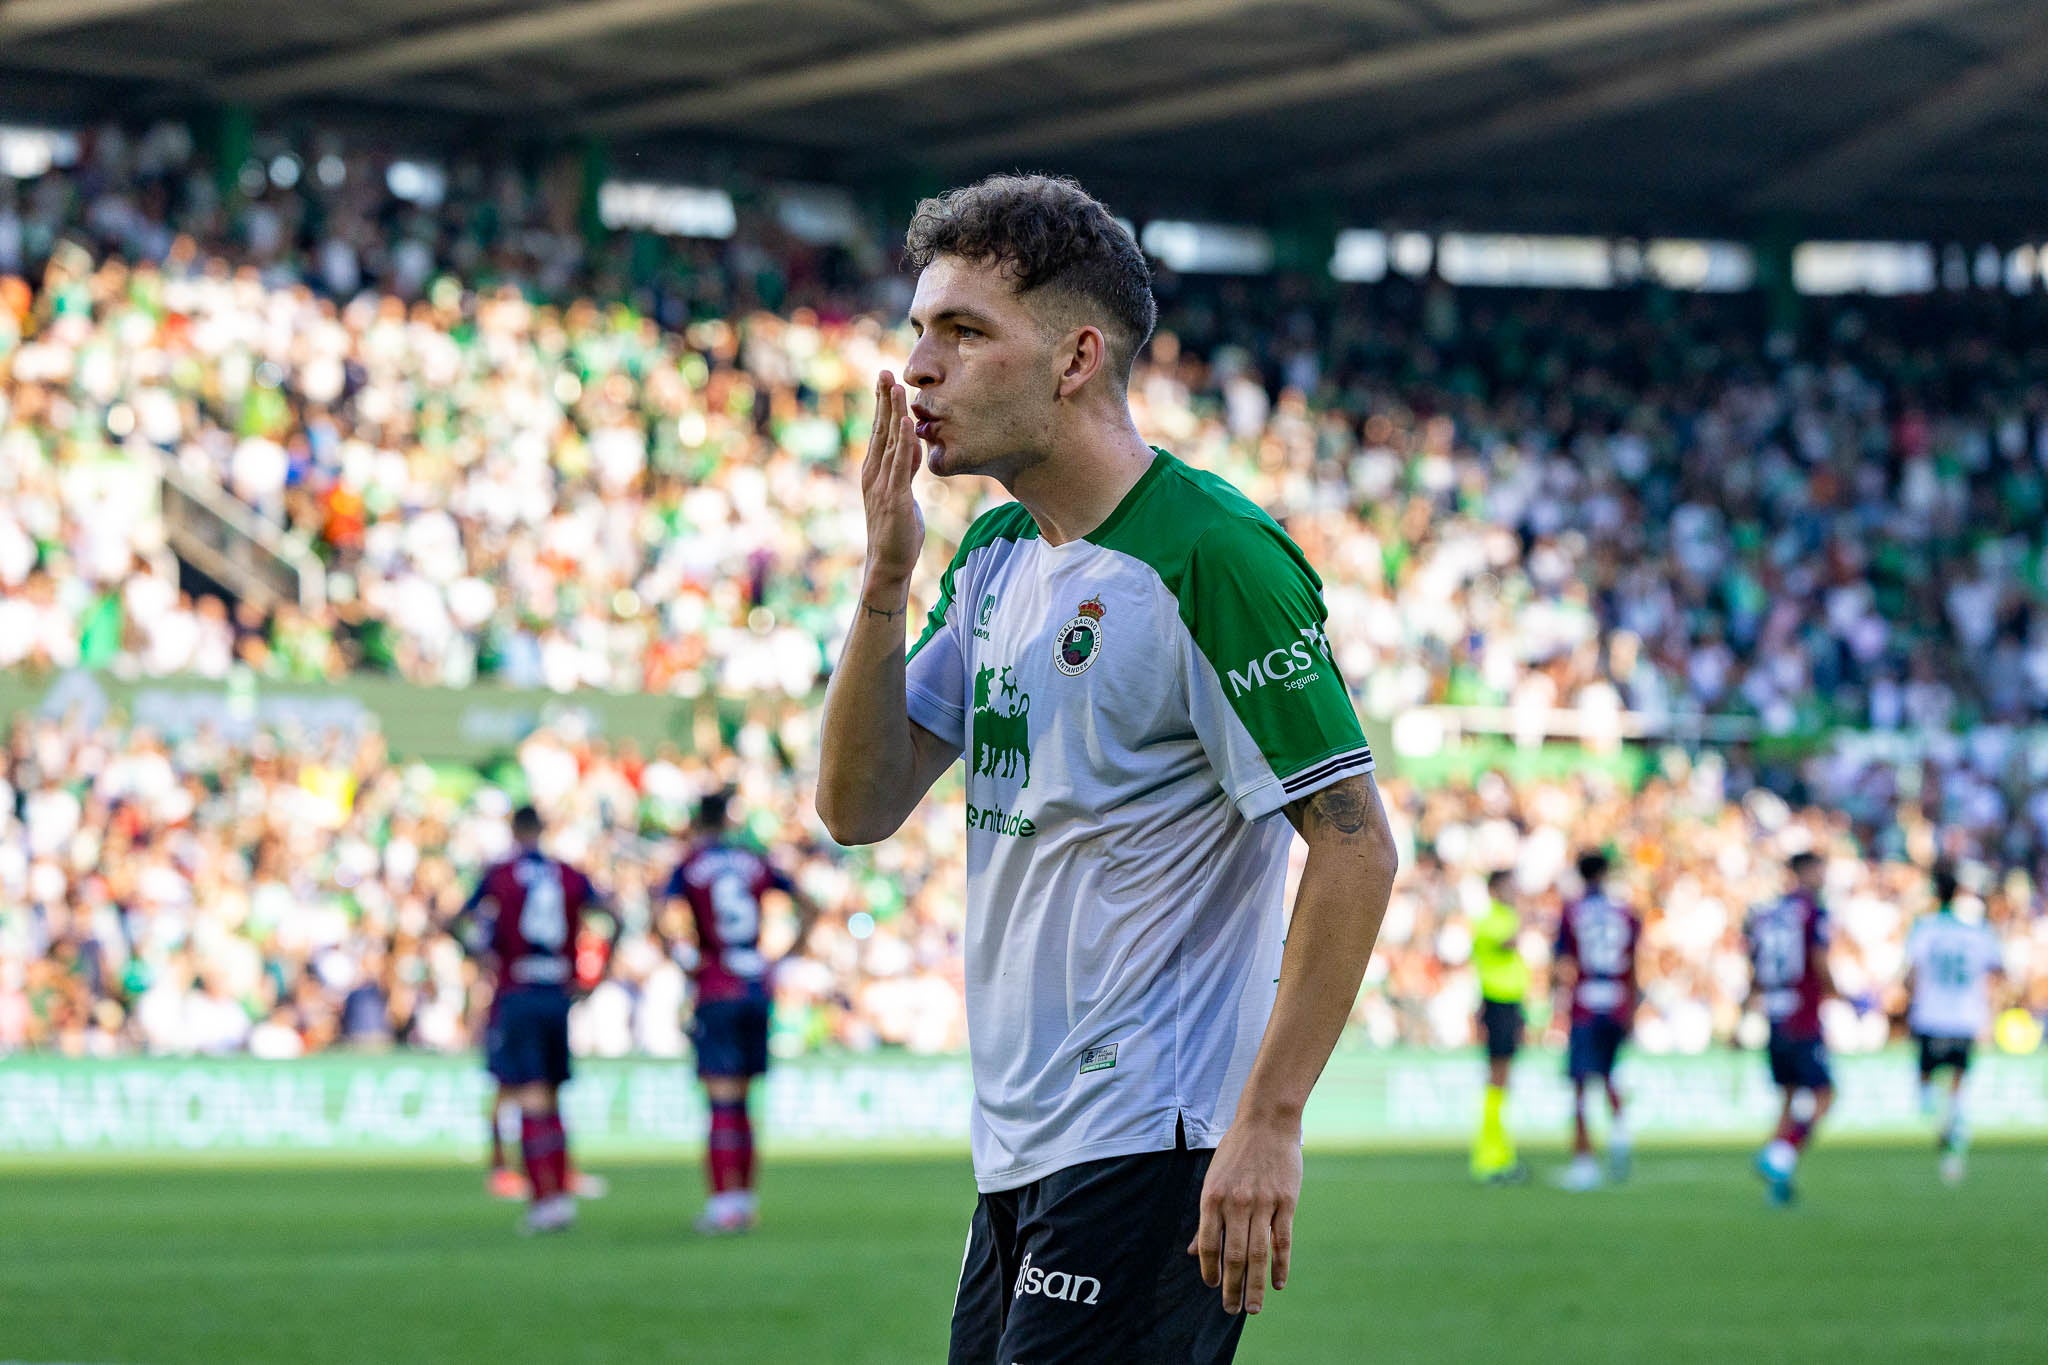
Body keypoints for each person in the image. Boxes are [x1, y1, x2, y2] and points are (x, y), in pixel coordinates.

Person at [814, 173, 1398, 1364]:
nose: (916, 367)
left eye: (963, 331)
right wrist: (882, 585)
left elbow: (1353, 843)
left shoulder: (1211, 555)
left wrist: (1267, 1124)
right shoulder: (991, 557)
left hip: (1153, 1138)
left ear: (1076, 357)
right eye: (918, 329)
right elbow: (858, 805)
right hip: (1022, 1150)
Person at [661, 789, 822, 1235]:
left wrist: (686, 961)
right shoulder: (753, 860)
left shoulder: (690, 865)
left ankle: (723, 1205)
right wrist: (783, 956)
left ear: (696, 823)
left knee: (721, 1100)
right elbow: (809, 905)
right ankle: (745, 1202)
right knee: (745, 1101)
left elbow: (664, 917)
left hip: (717, 985)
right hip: (755, 985)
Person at [454, 805, 613, 1234]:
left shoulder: (500, 873)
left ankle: (544, 1201)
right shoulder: (567, 873)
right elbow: (610, 915)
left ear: (512, 829)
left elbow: (458, 920)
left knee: (527, 1097)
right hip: (556, 993)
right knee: (552, 1097)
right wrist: (596, 975)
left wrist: (482, 955)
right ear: (542, 830)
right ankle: (559, 1193)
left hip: (517, 991)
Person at [1904, 863, 2005, 1183]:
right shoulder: (1978, 930)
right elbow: (1997, 973)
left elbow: (1911, 975)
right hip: (1965, 1016)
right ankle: (1954, 1133)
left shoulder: (1925, 928)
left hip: (1930, 1015)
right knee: (1959, 1082)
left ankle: (1942, 1126)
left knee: (1925, 1081)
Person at [1744, 850, 1834, 1207]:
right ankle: (1780, 1155)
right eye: (1818, 870)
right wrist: (1841, 994)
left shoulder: (1766, 914)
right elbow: (1818, 960)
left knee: (1788, 1099)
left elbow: (1755, 967)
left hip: (1776, 1015)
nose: (1822, 877)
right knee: (1825, 1095)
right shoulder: (1812, 912)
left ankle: (1778, 1184)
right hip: (1803, 1016)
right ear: (1804, 872)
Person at [1551, 851, 1640, 1192]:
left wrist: (1559, 1008)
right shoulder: (1625, 912)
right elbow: (1633, 964)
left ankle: (1584, 1163)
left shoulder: (1573, 911)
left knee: (1580, 1083)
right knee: (1608, 1073)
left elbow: (1565, 965)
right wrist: (1631, 1008)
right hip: (1616, 999)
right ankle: (1619, 1131)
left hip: (1586, 1002)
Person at [1469, 870, 1528, 1185]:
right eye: (1507, 886)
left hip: (1509, 1005)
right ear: (1493, 889)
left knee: (1502, 1083)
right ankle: (1489, 1158)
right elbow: (1507, 942)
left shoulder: (1503, 916)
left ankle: (1501, 1154)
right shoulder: (1491, 919)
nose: (1512, 891)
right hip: (1497, 1004)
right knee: (1497, 1081)